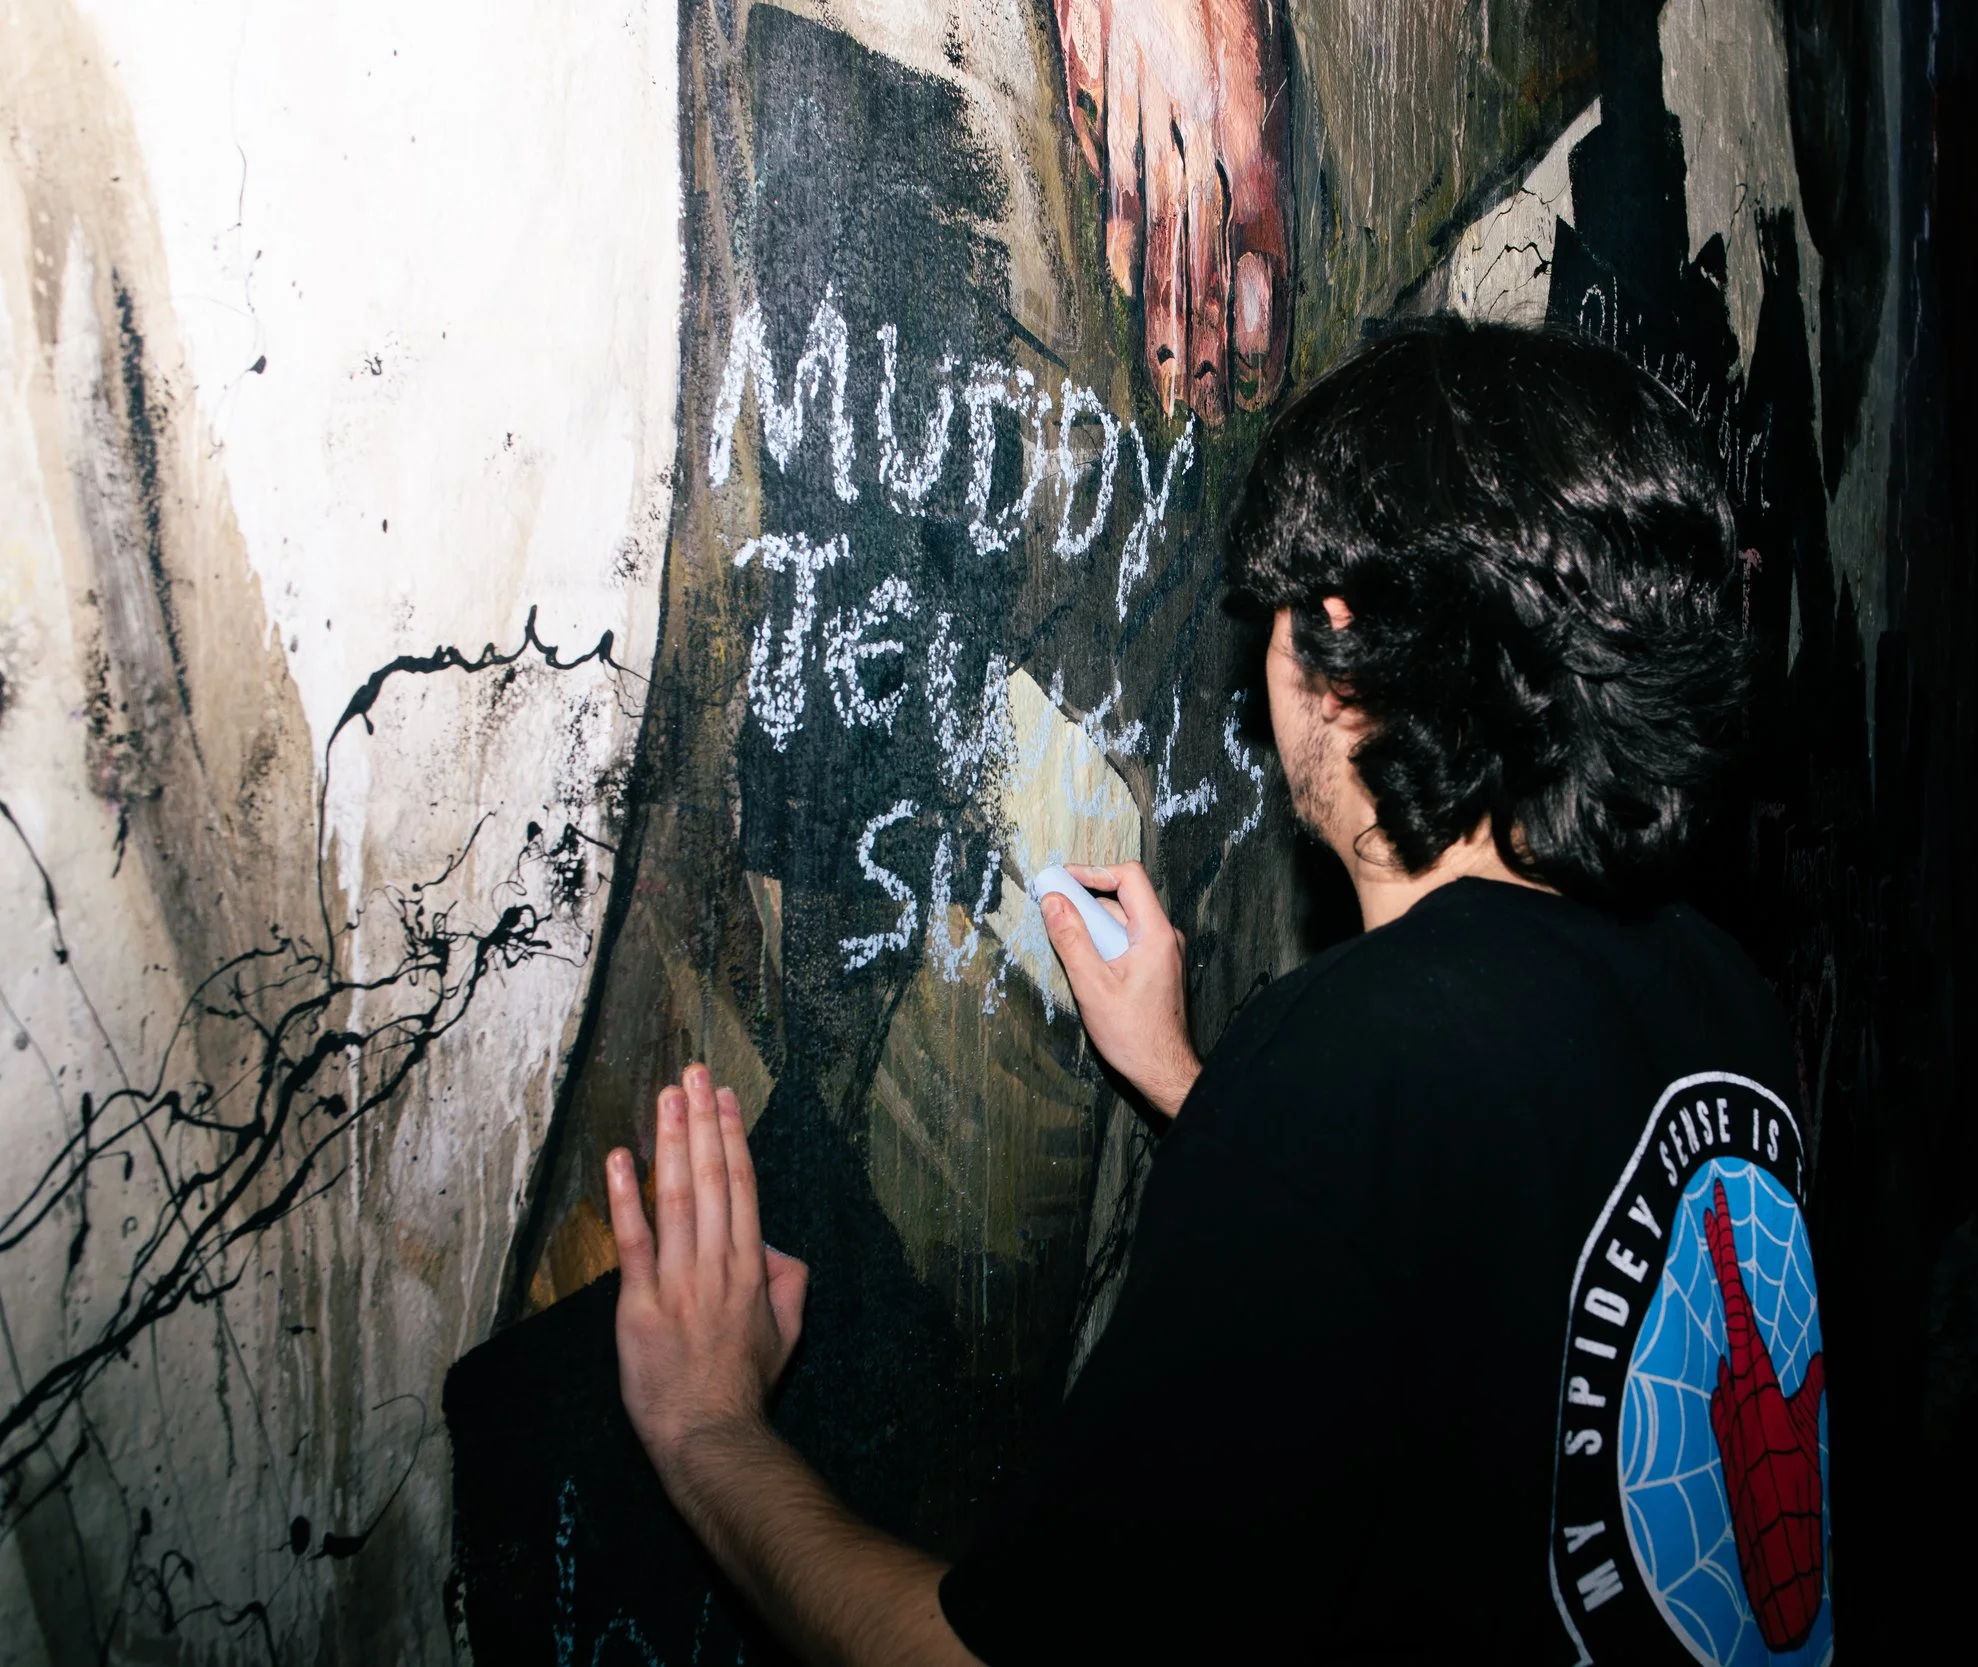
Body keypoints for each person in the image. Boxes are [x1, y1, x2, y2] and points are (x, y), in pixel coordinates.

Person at [602, 319, 1834, 1664]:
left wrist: (707, 1422)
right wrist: (1193, 1086)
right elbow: (1467, 1303)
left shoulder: (1352, 1068)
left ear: (1341, 641)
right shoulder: (1713, 987)